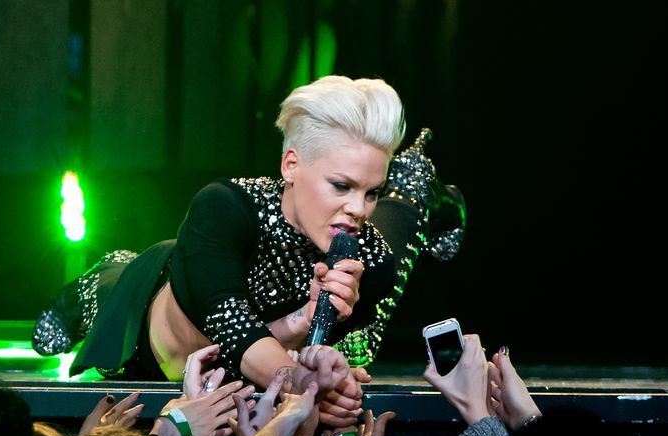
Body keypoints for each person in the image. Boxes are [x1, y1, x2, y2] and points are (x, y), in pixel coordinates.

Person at [32, 75, 408, 410]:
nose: (358, 209)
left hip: (223, 375)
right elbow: (233, 331)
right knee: (69, 319)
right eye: (341, 186)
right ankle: (94, 282)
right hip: (144, 324)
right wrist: (305, 384)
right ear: (291, 165)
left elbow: (244, 358)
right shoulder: (225, 208)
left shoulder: (370, 260)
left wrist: (321, 346)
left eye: (372, 192)